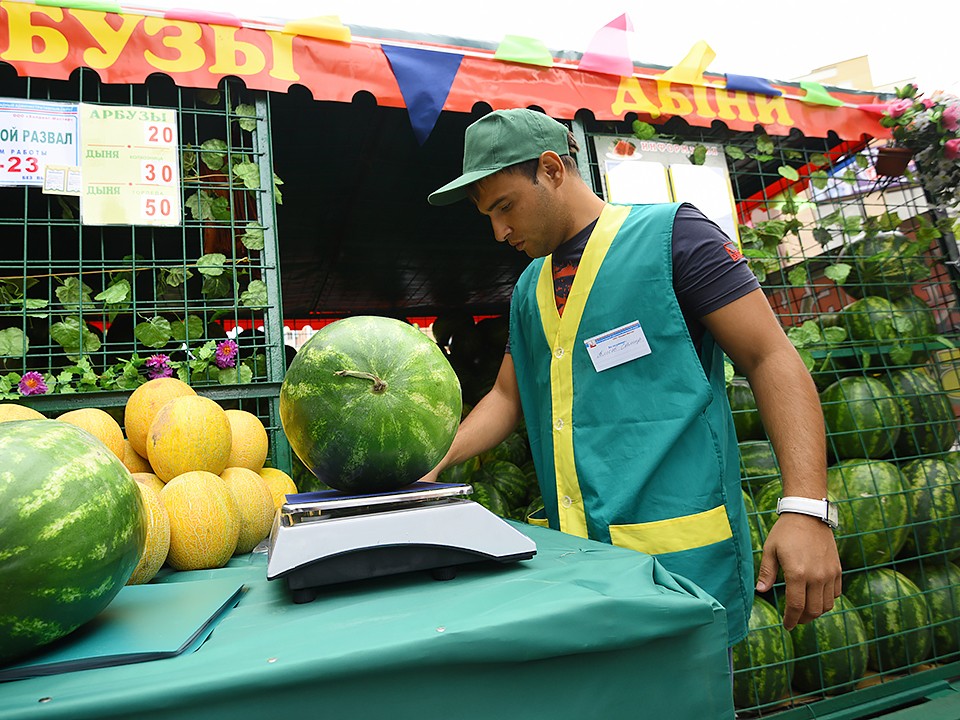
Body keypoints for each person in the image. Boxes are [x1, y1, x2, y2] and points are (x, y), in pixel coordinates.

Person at [425, 108, 841, 647]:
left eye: (505, 206)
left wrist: (807, 507)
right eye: (488, 216)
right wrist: (437, 458)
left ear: (552, 168)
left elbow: (770, 358)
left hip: (681, 567)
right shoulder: (530, 289)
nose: (500, 231)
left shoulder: (676, 236)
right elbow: (508, 396)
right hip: (582, 572)